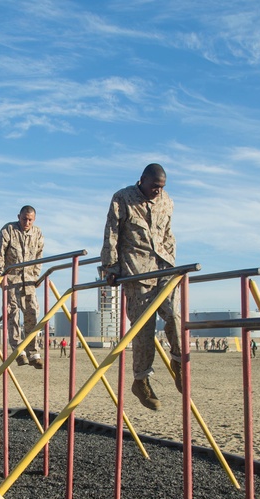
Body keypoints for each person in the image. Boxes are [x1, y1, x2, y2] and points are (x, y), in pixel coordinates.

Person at [101, 163, 183, 411]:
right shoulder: (123, 198)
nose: (158, 191)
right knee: (144, 328)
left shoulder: (167, 201)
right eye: (154, 186)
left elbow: (168, 233)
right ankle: (141, 380)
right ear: (142, 180)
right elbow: (111, 233)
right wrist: (111, 267)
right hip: (137, 270)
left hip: (164, 267)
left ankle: (179, 362)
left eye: (162, 187)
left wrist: (172, 261)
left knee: (174, 315)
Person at [0, 206, 44, 369]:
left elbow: (39, 255)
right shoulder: (9, 230)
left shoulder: (37, 233)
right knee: (12, 313)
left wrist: (36, 275)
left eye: (30, 219)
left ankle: (33, 351)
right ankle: (18, 351)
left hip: (28, 280)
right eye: (24, 219)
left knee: (32, 313)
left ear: (34, 219)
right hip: (11, 278)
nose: (26, 222)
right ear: (18, 217)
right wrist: (0, 275)